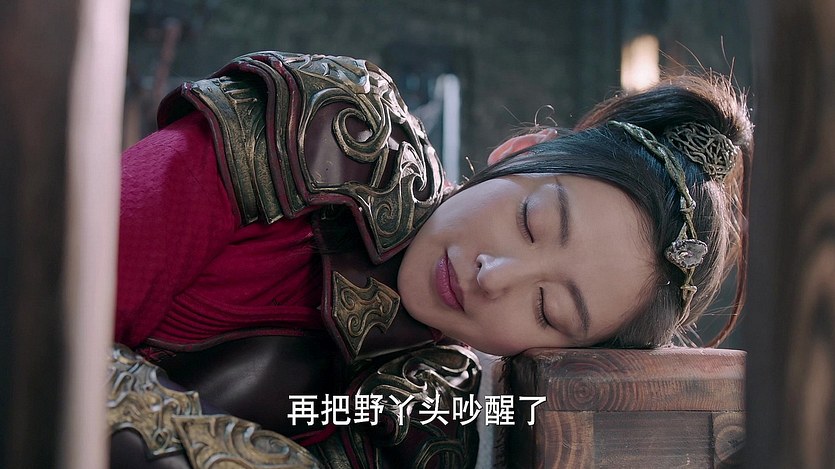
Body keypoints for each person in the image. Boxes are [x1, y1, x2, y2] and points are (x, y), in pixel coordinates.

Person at [107, 51, 751, 469]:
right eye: (531, 222)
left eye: (547, 309)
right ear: (519, 150)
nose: (495, 276)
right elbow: (57, 306)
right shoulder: (322, 142)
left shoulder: (442, 419)